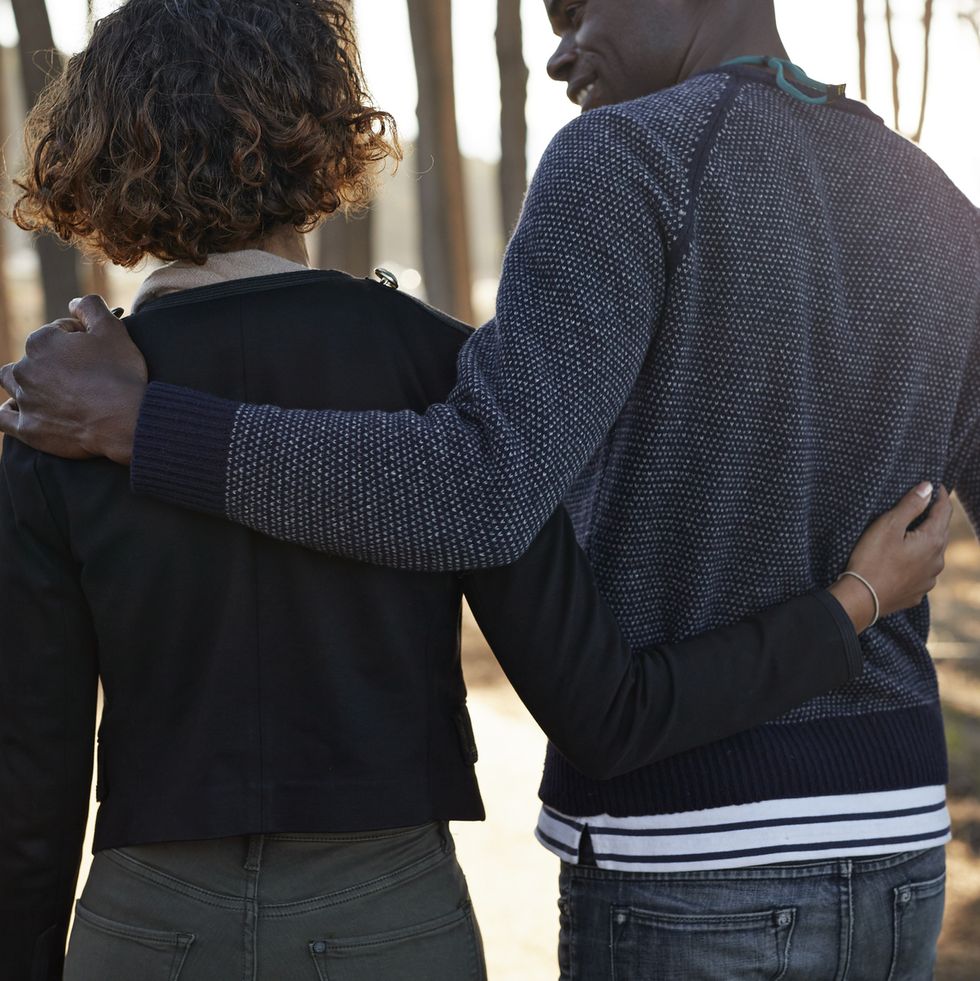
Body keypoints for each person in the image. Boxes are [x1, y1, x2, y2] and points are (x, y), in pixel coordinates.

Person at [2, 0, 976, 977]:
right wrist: (849, 606)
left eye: (573, 10)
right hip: (857, 842)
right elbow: (604, 701)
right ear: (325, 130)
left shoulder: (65, 401)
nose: (557, 52)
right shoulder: (937, 204)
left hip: (162, 925)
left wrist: (147, 427)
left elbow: (31, 773)